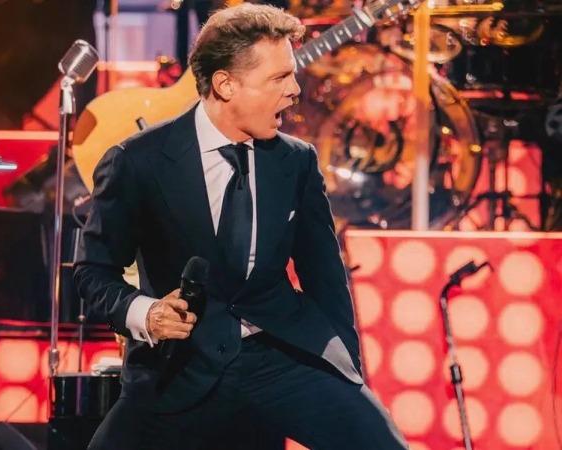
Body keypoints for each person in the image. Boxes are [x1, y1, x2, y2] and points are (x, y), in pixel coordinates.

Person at [73, 4, 409, 449]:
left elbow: (325, 277)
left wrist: (347, 372)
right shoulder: (138, 161)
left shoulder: (296, 161)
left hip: (281, 355)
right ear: (225, 84)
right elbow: (92, 273)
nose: (294, 90)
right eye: (279, 78)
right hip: (180, 365)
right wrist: (147, 314)